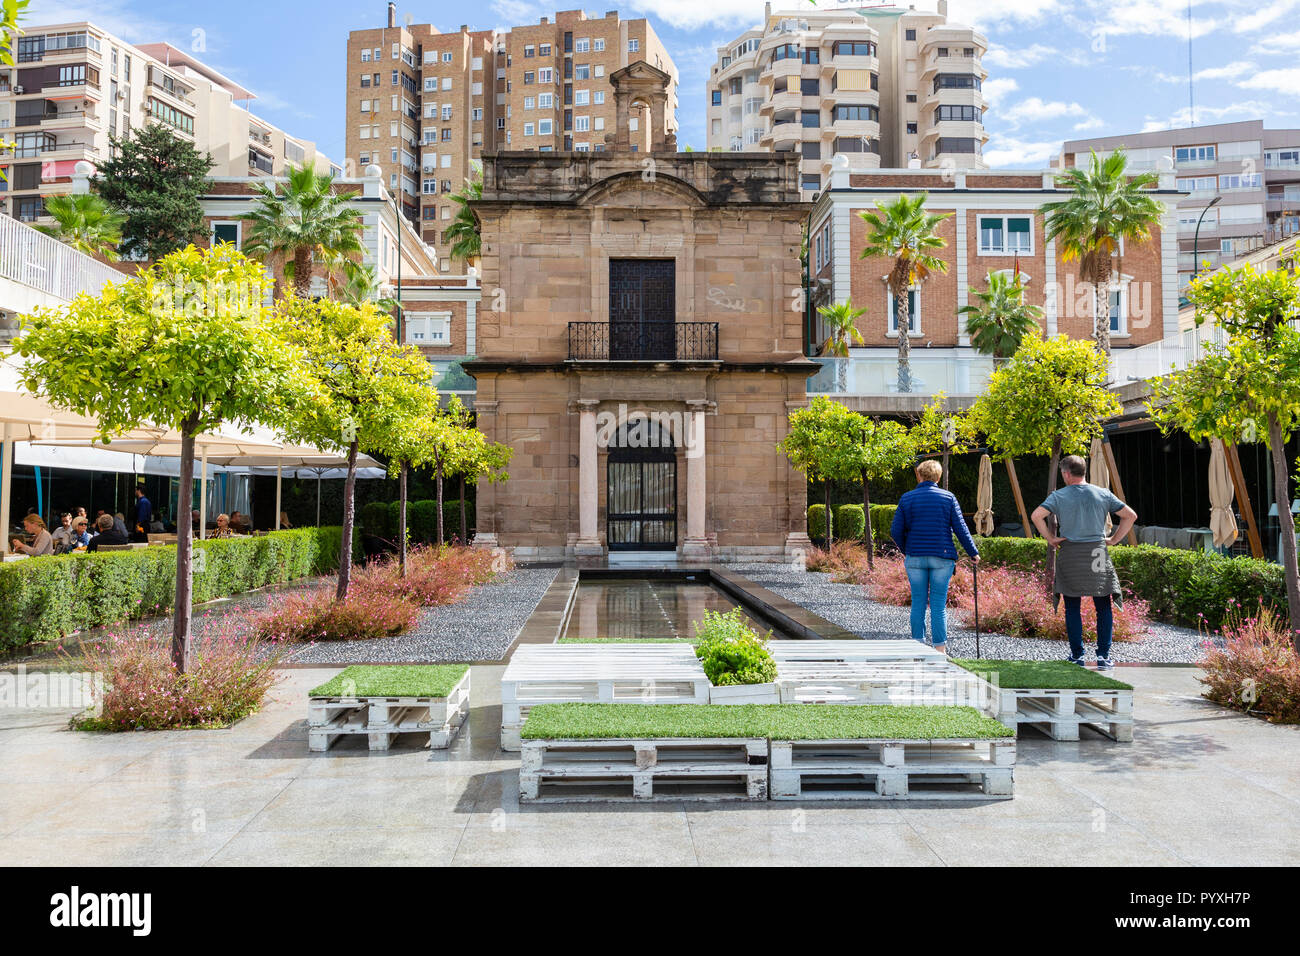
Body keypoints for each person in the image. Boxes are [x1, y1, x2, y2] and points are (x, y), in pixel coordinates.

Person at [1031, 454, 1138, 670]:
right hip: (1097, 553)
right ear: (1084, 471)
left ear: (1066, 473)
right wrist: (1114, 540)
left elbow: (1036, 516)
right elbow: (1130, 515)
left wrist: (1051, 539)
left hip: (1070, 553)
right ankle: (1103, 657)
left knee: (1072, 605)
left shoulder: (1058, 496)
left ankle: (1077, 655)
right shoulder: (1103, 493)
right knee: (1103, 605)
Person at [890, 460, 979, 653]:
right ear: (938, 477)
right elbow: (961, 528)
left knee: (918, 602)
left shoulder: (907, 498)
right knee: (938, 606)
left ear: (919, 476)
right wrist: (973, 552)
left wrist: (908, 549)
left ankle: (917, 647)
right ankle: (939, 650)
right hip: (942, 556)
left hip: (915, 557)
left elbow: (895, 531)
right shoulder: (948, 498)